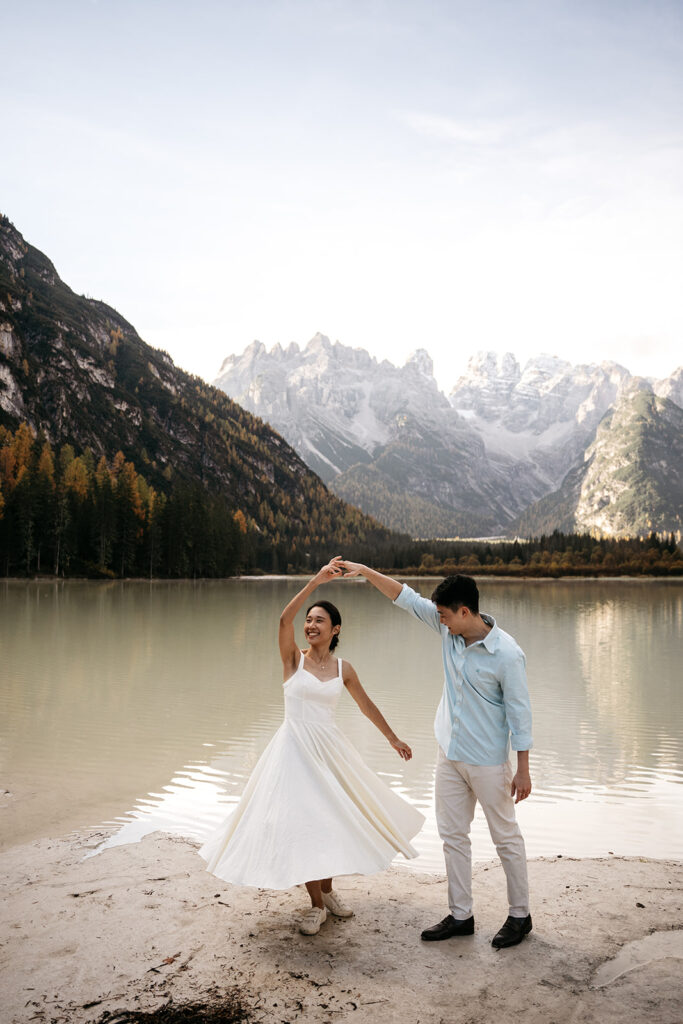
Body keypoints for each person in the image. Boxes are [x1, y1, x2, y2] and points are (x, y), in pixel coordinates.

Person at [198, 557, 424, 936]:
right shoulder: (293, 662)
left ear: (335, 629)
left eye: (319, 620)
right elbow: (283, 620)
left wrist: (392, 737)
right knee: (303, 825)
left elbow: (366, 705)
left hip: (328, 752)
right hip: (292, 752)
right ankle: (316, 906)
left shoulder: (343, 669)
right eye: (309, 620)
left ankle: (330, 891)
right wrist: (316, 582)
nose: (310, 625)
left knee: (330, 821)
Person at [338, 561, 533, 949]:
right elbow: (403, 596)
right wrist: (362, 570)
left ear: (465, 612)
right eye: (438, 615)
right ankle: (461, 915)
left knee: (505, 837)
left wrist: (523, 769)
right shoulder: (450, 631)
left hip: (489, 762)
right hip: (449, 754)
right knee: (452, 836)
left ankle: (520, 916)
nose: (439, 621)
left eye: (445, 615)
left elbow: (520, 712)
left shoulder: (508, 655)